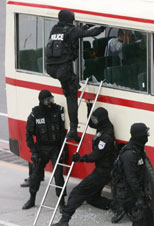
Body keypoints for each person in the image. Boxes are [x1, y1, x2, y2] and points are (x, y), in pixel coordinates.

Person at [51, 105, 118, 226]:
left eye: (96, 119)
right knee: (92, 197)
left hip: (103, 171)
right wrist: (89, 108)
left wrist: (80, 158)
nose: (94, 122)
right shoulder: (103, 127)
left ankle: (64, 220)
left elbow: (96, 155)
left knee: (78, 192)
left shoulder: (106, 135)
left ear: (102, 120)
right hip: (103, 170)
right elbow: (91, 124)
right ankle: (116, 206)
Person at [45, 9, 105, 142]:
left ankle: (72, 128)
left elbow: (77, 32)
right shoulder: (72, 30)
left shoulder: (55, 29)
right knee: (71, 97)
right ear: (69, 20)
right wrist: (103, 27)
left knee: (68, 91)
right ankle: (73, 131)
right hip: (63, 69)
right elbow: (90, 33)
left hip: (50, 68)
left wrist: (86, 26)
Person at [115, 123, 154, 226]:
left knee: (148, 218)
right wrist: (140, 198)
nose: (147, 136)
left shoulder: (138, 149)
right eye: (145, 133)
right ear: (139, 135)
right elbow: (131, 179)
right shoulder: (130, 154)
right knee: (140, 222)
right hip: (130, 195)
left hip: (138, 193)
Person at [22, 90, 67, 210]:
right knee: (35, 174)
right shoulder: (34, 114)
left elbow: (63, 132)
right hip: (41, 148)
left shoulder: (58, 111)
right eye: (47, 100)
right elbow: (28, 135)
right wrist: (34, 152)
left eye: (51, 99)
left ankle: (62, 202)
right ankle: (32, 199)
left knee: (58, 175)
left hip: (55, 148)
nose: (50, 103)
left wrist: (64, 149)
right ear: (41, 101)